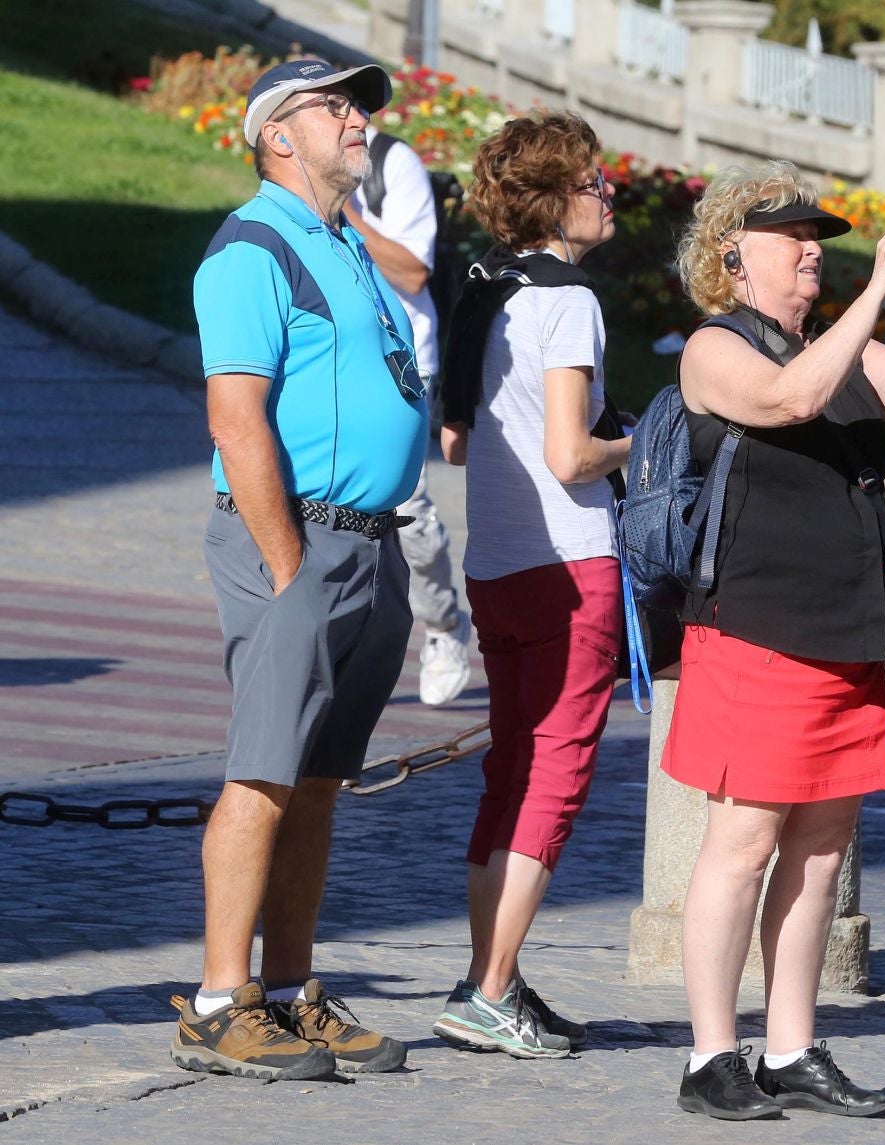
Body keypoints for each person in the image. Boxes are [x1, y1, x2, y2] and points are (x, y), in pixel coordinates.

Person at [665, 160, 885, 1119]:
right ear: (734, 258)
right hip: (758, 631)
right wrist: (875, 293)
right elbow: (790, 400)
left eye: (821, 234)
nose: (815, 248)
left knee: (820, 851)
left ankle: (790, 1047)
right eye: (792, 235)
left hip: (847, 635)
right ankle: (709, 1056)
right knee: (740, 845)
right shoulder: (714, 349)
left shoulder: (837, 346)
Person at [172, 57, 420, 1080]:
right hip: (301, 541)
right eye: (336, 107)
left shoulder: (343, 245)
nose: (359, 120)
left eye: (358, 105)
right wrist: (289, 566)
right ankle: (220, 999)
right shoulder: (251, 250)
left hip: (367, 539)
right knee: (265, 770)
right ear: (278, 135)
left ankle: (287, 987)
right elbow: (236, 418)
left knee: (318, 779)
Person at [429, 111, 627, 1058]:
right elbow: (571, 454)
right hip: (566, 563)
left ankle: (487, 976)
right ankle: (489, 987)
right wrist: (655, 438)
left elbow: (459, 438)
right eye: (595, 181)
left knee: (510, 773)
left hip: (496, 560)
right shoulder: (569, 298)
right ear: (556, 198)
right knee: (552, 777)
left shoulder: (486, 290)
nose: (608, 191)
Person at [347, 123, 473, 707]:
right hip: (332, 363)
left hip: (400, 360)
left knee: (406, 509)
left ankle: (445, 628)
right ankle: (342, 647)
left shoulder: (391, 164)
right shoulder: (292, 169)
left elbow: (412, 271)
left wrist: (343, 213)